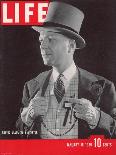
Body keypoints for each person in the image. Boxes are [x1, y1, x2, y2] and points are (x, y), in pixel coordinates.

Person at [16, 1, 116, 139]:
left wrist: (96, 117)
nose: (42, 46)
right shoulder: (31, 86)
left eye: (50, 39)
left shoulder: (104, 87)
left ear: (71, 46)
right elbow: (17, 134)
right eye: (41, 40)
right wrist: (28, 118)